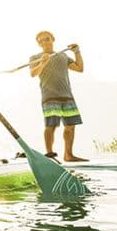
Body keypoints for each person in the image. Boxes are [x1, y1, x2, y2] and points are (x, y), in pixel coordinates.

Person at [29, 30, 87, 162]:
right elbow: (33, 73)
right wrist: (42, 63)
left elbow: (79, 68)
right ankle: (49, 155)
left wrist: (77, 52)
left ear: (52, 39)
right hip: (49, 96)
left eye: (47, 39)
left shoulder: (63, 56)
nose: (45, 42)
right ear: (39, 44)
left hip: (67, 95)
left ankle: (68, 155)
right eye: (41, 40)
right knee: (51, 125)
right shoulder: (35, 57)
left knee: (70, 126)